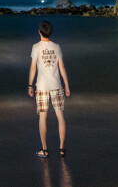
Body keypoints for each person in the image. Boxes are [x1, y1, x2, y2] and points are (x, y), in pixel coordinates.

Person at [27, 20, 70, 157]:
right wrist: (67, 85)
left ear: (39, 32)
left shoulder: (36, 47)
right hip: (56, 86)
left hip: (42, 87)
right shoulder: (57, 47)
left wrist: (30, 85)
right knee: (60, 117)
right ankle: (61, 148)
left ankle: (44, 149)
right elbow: (61, 67)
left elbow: (33, 67)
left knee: (42, 118)